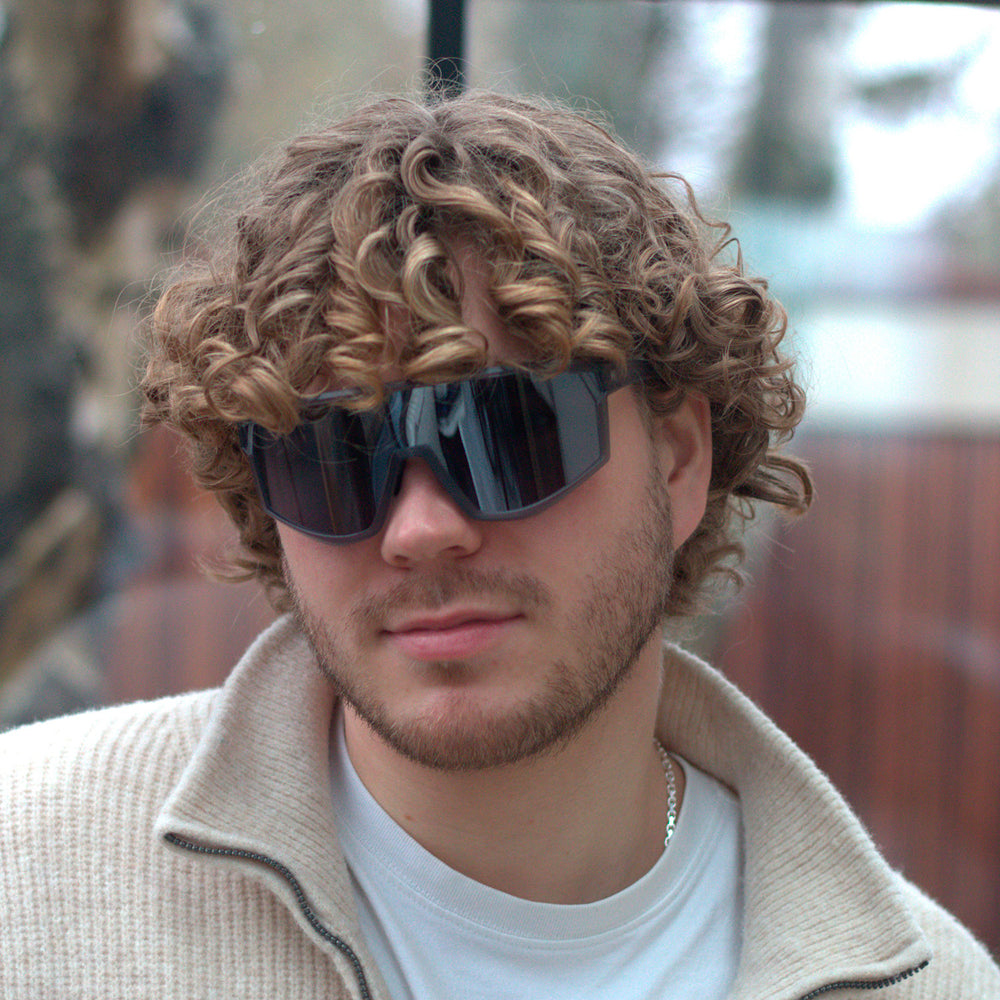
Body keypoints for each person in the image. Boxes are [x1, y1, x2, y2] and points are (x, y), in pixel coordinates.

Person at [0, 91, 996, 1000]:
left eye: (510, 434)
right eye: (332, 458)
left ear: (679, 459)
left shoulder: (931, 984)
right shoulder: (23, 871)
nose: (420, 529)